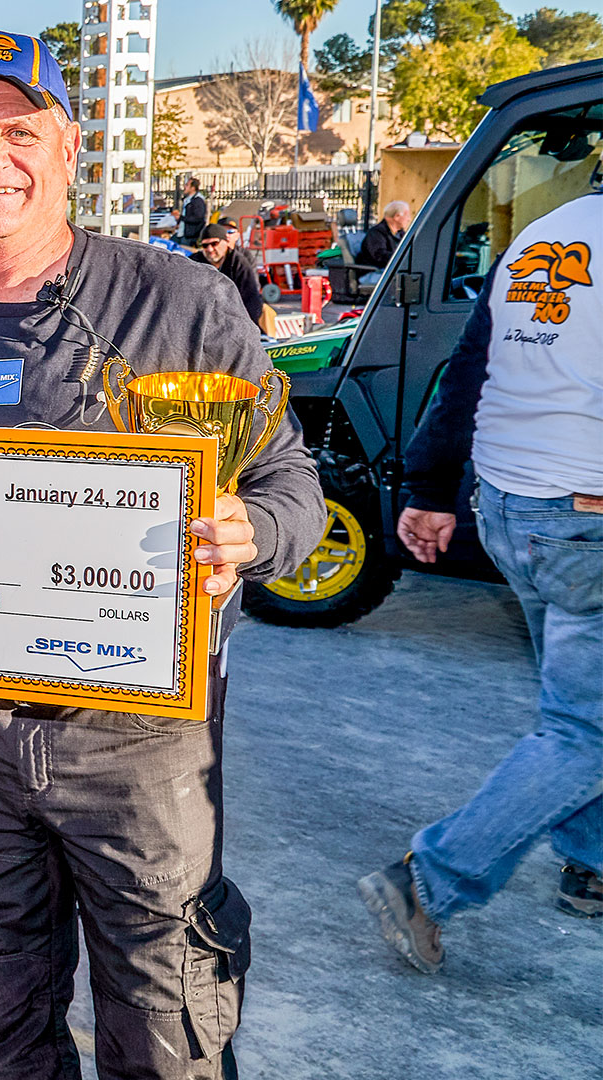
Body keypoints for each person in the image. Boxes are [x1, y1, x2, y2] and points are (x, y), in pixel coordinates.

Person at [0, 31, 322, 1080]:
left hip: (141, 749)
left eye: (20, 131)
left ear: (70, 148)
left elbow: (296, 490)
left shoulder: (184, 304)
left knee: (167, 1040)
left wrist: (253, 534)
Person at [360, 189, 603, 972]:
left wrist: (430, 489)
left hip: (509, 505)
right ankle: (429, 882)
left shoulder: (545, 232)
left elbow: (469, 369)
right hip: (584, 516)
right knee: (586, 730)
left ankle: (591, 864)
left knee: (577, 701)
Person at [191, 222, 265, 326]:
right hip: (203, 320)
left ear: (225, 242)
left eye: (214, 244)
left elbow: (251, 298)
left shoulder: (239, 263)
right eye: (205, 245)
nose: (210, 249)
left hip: (235, 318)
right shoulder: (193, 263)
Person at [357, 200, 412, 269]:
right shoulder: (376, 233)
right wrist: (403, 257)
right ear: (396, 216)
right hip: (376, 272)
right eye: (407, 215)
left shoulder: (400, 234)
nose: (409, 219)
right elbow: (380, 256)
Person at [179, 176, 208, 245]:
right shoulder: (187, 199)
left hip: (191, 235)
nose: (184, 187)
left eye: (187, 185)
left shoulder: (198, 201)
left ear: (193, 188)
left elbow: (198, 218)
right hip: (184, 232)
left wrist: (181, 218)